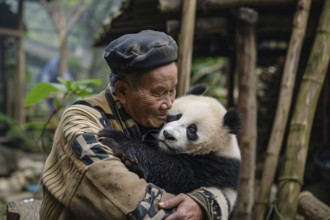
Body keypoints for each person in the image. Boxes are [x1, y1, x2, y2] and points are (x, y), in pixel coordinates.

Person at [39, 30, 223, 220]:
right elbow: (133, 203)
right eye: (158, 92)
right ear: (122, 91)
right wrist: (202, 207)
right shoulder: (81, 123)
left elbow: (218, 179)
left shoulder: (163, 117)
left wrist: (202, 202)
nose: (169, 103)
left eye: (172, 90)